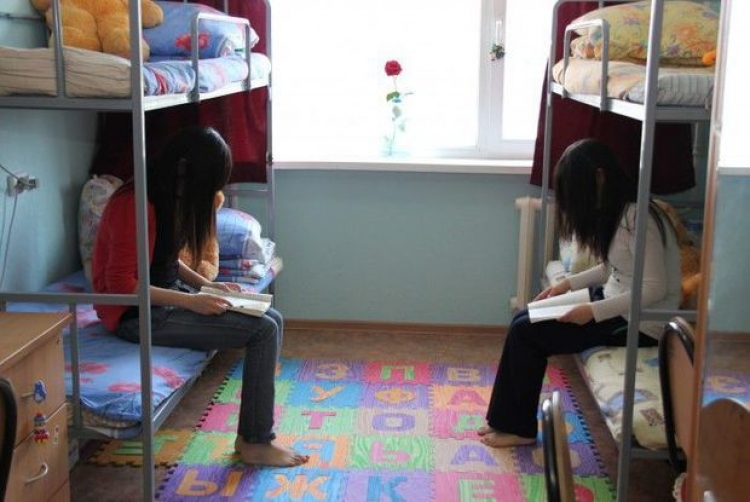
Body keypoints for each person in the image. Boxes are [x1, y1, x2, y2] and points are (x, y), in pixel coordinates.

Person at [92, 126, 308, 467]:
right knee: (263, 331)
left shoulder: (165, 196)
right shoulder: (134, 203)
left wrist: (208, 286)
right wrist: (192, 301)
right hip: (134, 315)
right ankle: (255, 441)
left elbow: (165, 260)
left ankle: (251, 437)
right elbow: (120, 285)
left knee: (273, 318)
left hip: (164, 300)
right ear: (186, 171)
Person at [479, 138, 681, 448]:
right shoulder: (620, 212)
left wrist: (592, 312)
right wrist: (567, 285)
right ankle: (503, 420)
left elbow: (654, 288)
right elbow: (611, 268)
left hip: (641, 324)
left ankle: (520, 429)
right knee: (523, 318)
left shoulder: (639, 219)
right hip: (614, 302)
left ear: (600, 177)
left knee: (527, 335)